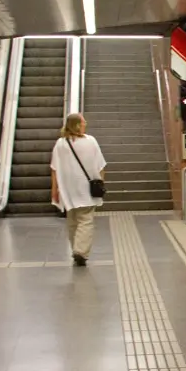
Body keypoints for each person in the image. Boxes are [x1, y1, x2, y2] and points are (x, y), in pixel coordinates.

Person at [51, 113, 106, 266]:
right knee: (86, 220)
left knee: (72, 220)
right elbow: (101, 165)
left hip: (68, 189)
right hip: (86, 188)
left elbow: (54, 168)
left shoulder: (61, 144)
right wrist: (101, 182)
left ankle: (76, 248)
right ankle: (80, 251)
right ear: (77, 124)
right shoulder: (91, 141)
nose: (85, 124)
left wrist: (54, 189)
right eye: (83, 122)